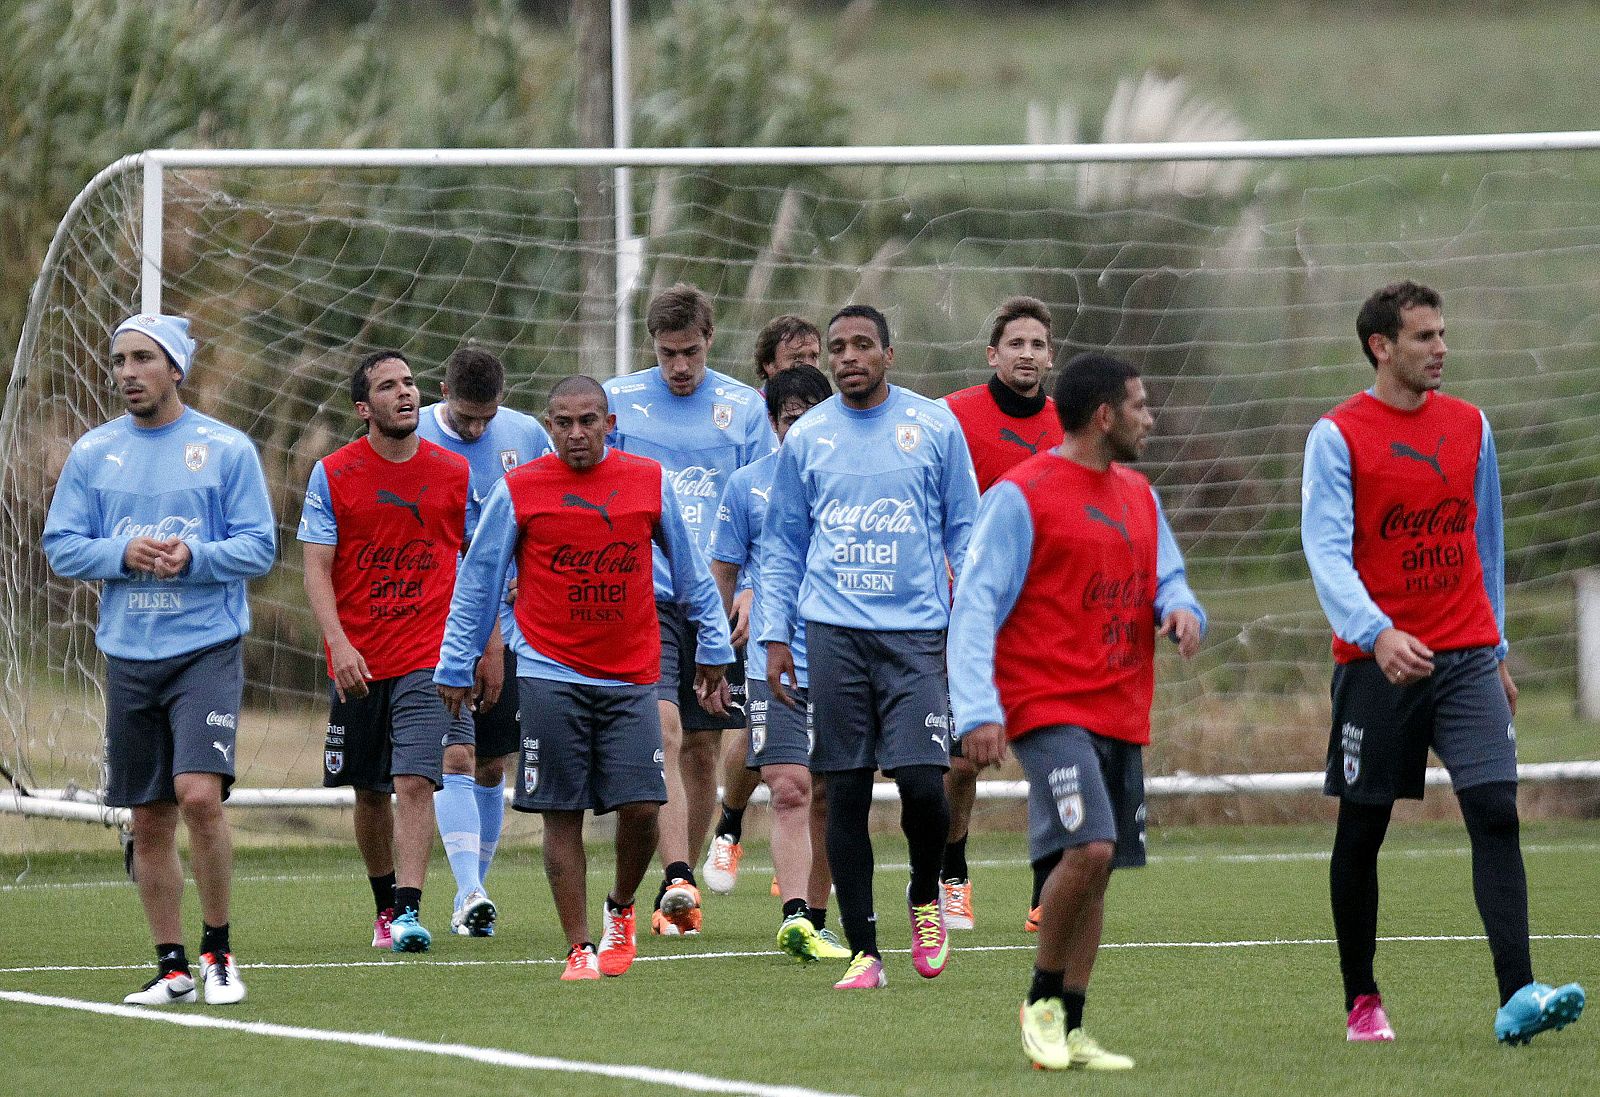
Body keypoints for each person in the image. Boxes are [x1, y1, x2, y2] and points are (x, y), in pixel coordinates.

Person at [1301, 280, 1585, 1045]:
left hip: (1464, 657)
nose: (1442, 349)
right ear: (1381, 346)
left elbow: (1483, 543)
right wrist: (1375, 632)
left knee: (1495, 811)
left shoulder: (1472, 426)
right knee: (1363, 831)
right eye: (1425, 337)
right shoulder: (1337, 435)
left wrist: (1496, 649)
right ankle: (1363, 998)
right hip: (1378, 665)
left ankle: (1518, 994)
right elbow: (1325, 552)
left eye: (1443, 334)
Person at [949, 351, 1204, 1071]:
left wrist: (1181, 610)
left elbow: (1171, 578)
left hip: (1121, 705)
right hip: (1047, 705)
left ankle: (1073, 1024)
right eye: (1141, 405)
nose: (1149, 418)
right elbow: (974, 608)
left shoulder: (1139, 494)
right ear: (1104, 415)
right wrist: (977, 707)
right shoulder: (1021, 496)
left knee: (1101, 866)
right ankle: (1040, 1001)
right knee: (1088, 846)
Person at [435, 376, 733, 980]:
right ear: (549, 427)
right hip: (549, 671)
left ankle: (619, 910)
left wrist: (714, 643)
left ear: (610, 422)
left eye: (588, 421)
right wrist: (455, 660)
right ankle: (578, 946)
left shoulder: (647, 482)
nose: (576, 433)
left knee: (645, 806)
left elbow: (691, 568)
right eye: (564, 423)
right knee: (561, 812)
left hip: (632, 675)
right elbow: (480, 579)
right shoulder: (521, 489)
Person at [43, 314, 275, 1005]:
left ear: (175, 368)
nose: (127, 372)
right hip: (129, 656)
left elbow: (259, 547)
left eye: (143, 358)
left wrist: (194, 556)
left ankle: (218, 951)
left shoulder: (224, 449)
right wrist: (121, 552)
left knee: (199, 795)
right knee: (148, 818)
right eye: (119, 360)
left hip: (204, 647)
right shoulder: (94, 453)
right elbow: (61, 546)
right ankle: (172, 965)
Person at [758, 304, 980, 990]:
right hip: (833, 636)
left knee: (924, 785)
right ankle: (865, 950)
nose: (848, 356)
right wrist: (774, 634)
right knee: (844, 791)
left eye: (862, 345)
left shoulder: (935, 426)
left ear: (890, 352)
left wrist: (965, 627)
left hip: (916, 636)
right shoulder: (809, 437)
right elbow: (783, 543)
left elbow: (965, 531)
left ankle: (923, 894)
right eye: (837, 347)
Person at [603, 283, 775, 936]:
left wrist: (754, 585)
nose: (680, 365)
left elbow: (766, 504)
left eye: (692, 352)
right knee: (664, 734)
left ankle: (683, 888)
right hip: (641, 596)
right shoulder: (618, 402)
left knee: (704, 748)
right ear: (654, 346)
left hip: (717, 599)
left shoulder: (741, 408)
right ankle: (675, 873)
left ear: (709, 340)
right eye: (669, 352)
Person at [299, 349, 475, 954]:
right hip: (359, 659)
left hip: (432, 653)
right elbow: (316, 570)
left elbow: (475, 564)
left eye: (409, 383)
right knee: (369, 791)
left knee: (415, 780)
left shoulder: (453, 472)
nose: (404, 393)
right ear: (362, 407)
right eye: (387, 386)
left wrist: (488, 639)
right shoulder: (333, 473)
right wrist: (339, 643)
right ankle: (382, 903)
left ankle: (408, 912)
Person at [705, 364, 850, 962]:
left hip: (845, 652)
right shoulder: (746, 486)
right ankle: (794, 916)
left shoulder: (855, 480)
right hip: (776, 657)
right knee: (789, 785)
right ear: (773, 422)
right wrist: (714, 653)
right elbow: (723, 571)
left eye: (813, 415)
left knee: (831, 795)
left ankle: (817, 918)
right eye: (791, 417)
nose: (801, 427)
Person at [416, 345, 553, 936]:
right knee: (454, 757)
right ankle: (470, 889)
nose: (474, 429)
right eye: (464, 417)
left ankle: (472, 897)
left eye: (485, 418)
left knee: (494, 765)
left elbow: (548, 510)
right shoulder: (413, 435)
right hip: (434, 623)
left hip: (516, 627)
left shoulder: (524, 435)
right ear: (441, 392)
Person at [940, 294, 1066, 933]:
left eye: (1037, 344)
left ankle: (1047, 890)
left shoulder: (1068, 424)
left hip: (1043, 612)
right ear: (993, 354)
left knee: (1052, 747)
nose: (1027, 354)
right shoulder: (953, 415)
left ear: (1050, 355)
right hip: (967, 608)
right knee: (962, 759)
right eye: (1015, 344)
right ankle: (952, 874)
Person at [702, 314, 822, 896]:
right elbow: (729, 557)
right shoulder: (749, 470)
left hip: (840, 642)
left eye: (814, 358)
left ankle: (810, 885)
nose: (808, 368)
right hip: (768, 636)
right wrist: (715, 646)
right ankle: (731, 824)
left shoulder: (854, 463)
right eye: (794, 361)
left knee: (818, 783)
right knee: (776, 767)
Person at [752, 314, 822, 385]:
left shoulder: (827, 395)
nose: (809, 366)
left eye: (813, 357)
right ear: (769, 365)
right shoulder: (751, 396)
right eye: (796, 358)